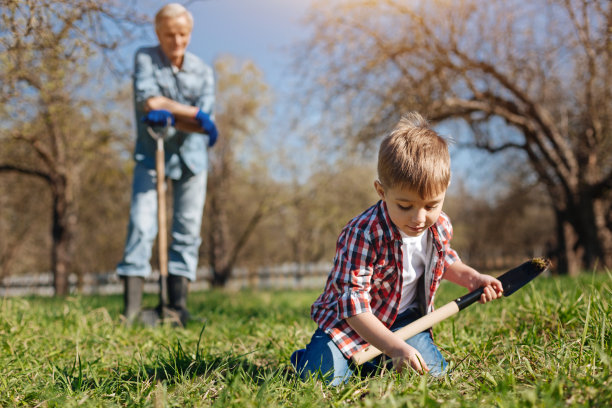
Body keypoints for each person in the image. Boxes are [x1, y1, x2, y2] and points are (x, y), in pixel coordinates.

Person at [290, 112, 504, 385]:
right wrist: (393, 348)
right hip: (350, 325)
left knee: (432, 376)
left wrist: (473, 278)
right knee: (321, 379)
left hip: (405, 322)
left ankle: (378, 359)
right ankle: (316, 357)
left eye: (430, 205)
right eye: (405, 206)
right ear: (382, 191)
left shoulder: (439, 226)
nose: (419, 218)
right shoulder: (363, 234)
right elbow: (353, 306)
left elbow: (444, 259)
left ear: (445, 189)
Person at [116, 3, 217, 326]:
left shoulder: (202, 70)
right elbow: (150, 102)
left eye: (182, 34)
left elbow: (202, 124)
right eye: (169, 34)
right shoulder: (145, 57)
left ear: (190, 34)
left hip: (192, 157)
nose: (176, 41)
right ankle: (131, 309)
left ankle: (178, 307)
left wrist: (177, 114)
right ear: (158, 33)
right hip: (152, 154)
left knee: (187, 229)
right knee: (142, 224)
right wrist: (191, 113)